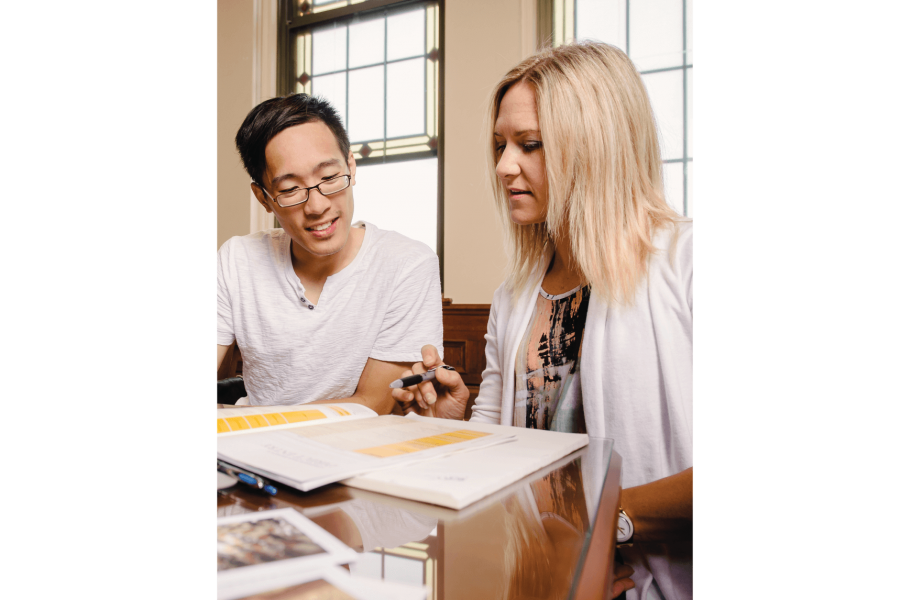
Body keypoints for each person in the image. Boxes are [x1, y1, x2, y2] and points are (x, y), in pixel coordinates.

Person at [394, 42, 694, 600]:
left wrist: (602, 527)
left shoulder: (683, 264)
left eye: (530, 145)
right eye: (500, 145)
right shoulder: (513, 295)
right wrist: (456, 422)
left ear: (597, 146)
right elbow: (498, 461)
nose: (505, 165)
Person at [216, 94, 444, 411]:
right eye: (290, 189)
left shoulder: (407, 264)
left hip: (353, 451)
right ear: (264, 198)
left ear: (351, 165)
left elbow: (371, 404)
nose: (318, 206)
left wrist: (250, 419)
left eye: (329, 178)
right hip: (249, 450)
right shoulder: (237, 259)